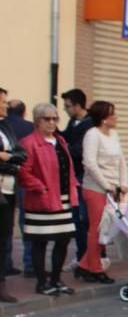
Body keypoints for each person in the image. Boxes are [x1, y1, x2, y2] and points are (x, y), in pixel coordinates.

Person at [18, 104, 78, 296]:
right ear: (37, 120)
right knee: (40, 241)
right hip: (41, 200)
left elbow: (67, 168)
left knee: (63, 239)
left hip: (63, 198)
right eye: (47, 119)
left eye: (55, 118)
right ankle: (42, 282)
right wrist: (40, 187)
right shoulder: (29, 142)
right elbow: (23, 172)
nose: (52, 123)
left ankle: (56, 279)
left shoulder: (60, 141)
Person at [79, 100, 127, 284]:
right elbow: (89, 163)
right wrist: (106, 185)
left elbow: (121, 161)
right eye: (112, 114)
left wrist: (123, 184)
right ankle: (95, 268)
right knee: (97, 228)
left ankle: (84, 265)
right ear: (104, 118)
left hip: (113, 187)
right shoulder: (92, 135)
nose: (116, 117)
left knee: (108, 227)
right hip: (95, 188)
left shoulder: (114, 135)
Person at [60, 89, 94, 275]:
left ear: (78, 105)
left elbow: (78, 150)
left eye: (68, 106)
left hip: (84, 178)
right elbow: (65, 138)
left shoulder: (89, 125)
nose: (66, 110)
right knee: (78, 220)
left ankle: (88, 257)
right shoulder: (74, 122)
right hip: (74, 178)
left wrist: (65, 148)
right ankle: (82, 256)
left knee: (84, 220)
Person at [0, 87, 27, 302]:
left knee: (4, 236)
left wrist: (7, 158)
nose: (5, 106)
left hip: (8, 189)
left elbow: (21, 154)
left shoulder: (6, 126)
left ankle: (1, 285)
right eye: (2, 102)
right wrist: (11, 161)